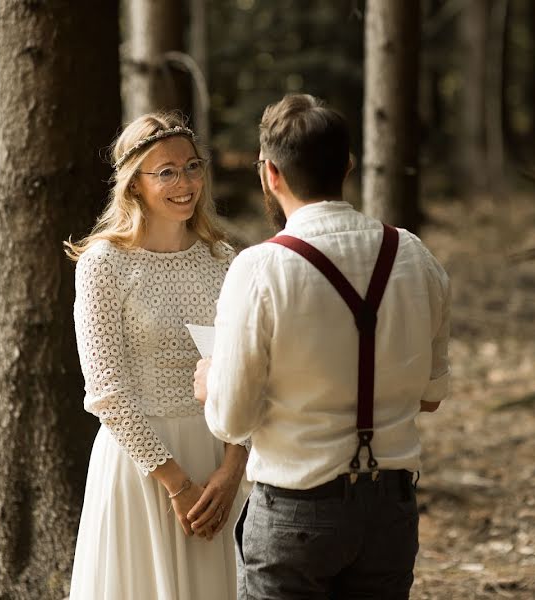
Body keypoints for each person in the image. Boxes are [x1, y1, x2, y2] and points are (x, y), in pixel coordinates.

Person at [193, 94, 451, 599]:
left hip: (295, 510)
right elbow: (430, 395)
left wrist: (210, 383)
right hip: (389, 512)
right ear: (348, 166)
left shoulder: (260, 269)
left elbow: (232, 420)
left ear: (270, 173)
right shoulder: (414, 255)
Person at [65, 112, 248, 599]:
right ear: (134, 184)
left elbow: (246, 371)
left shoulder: (222, 260)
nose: (184, 182)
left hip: (216, 461)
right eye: (165, 172)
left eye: (192, 166)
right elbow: (106, 393)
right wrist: (177, 484)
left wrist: (232, 470)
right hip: (142, 467)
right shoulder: (103, 265)